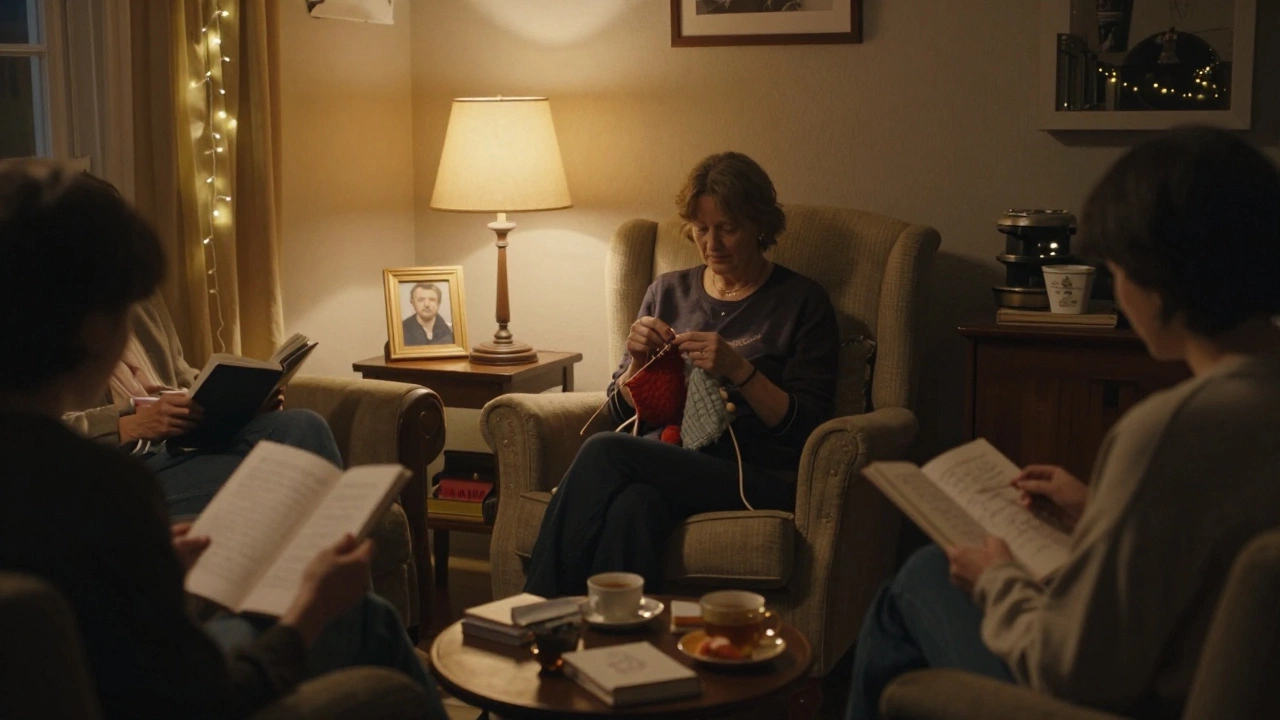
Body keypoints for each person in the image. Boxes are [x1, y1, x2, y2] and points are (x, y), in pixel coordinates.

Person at [846, 126, 1280, 720]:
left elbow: (1074, 669)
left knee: (923, 575)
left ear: (1157, 278)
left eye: (1115, 268)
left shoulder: (1173, 429)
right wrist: (1102, 509)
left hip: (1132, 703)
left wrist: (999, 579)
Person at [0, 159, 446, 720]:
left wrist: (159, 573)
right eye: (120, 308)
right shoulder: (104, 490)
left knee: (297, 426)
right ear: (92, 327)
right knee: (363, 618)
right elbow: (205, 698)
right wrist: (307, 613)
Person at [523, 151, 839, 597]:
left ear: (760, 226)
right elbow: (619, 413)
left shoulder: (800, 302)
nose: (713, 243)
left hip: (752, 472)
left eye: (728, 228)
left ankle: (535, 607)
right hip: (665, 456)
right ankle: (616, 647)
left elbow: (807, 428)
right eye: (701, 229)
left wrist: (739, 370)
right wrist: (637, 363)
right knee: (634, 506)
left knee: (605, 453)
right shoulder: (667, 290)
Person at [63, 294, 343, 517]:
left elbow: (181, 375)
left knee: (304, 424)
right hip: (124, 468)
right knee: (293, 477)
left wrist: (243, 401)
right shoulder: (39, 313)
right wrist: (128, 424)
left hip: (182, 441)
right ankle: (342, 585)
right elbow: (30, 430)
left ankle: (343, 582)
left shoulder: (142, 297)